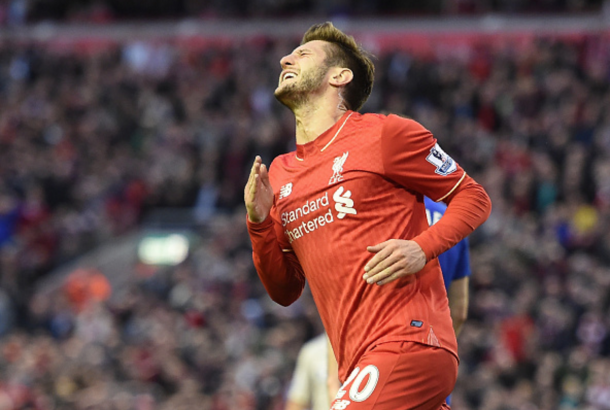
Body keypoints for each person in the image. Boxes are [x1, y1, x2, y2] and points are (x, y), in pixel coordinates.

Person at [245, 22, 491, 410]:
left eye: (303, 54)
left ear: (339, 77)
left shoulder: (386, 135)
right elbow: (285, 291)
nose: (285, 58)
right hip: (358, 363)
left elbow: (473, 197)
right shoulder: (279, 173)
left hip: (407, 341)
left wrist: (421, 248)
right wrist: (258, 223)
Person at [286, 197, 472, 410]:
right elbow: (459, 312)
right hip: (432, 371)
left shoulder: (378, 209)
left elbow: (345, 304)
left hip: (379, 363)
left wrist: (332, 379)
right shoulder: (451, 218)